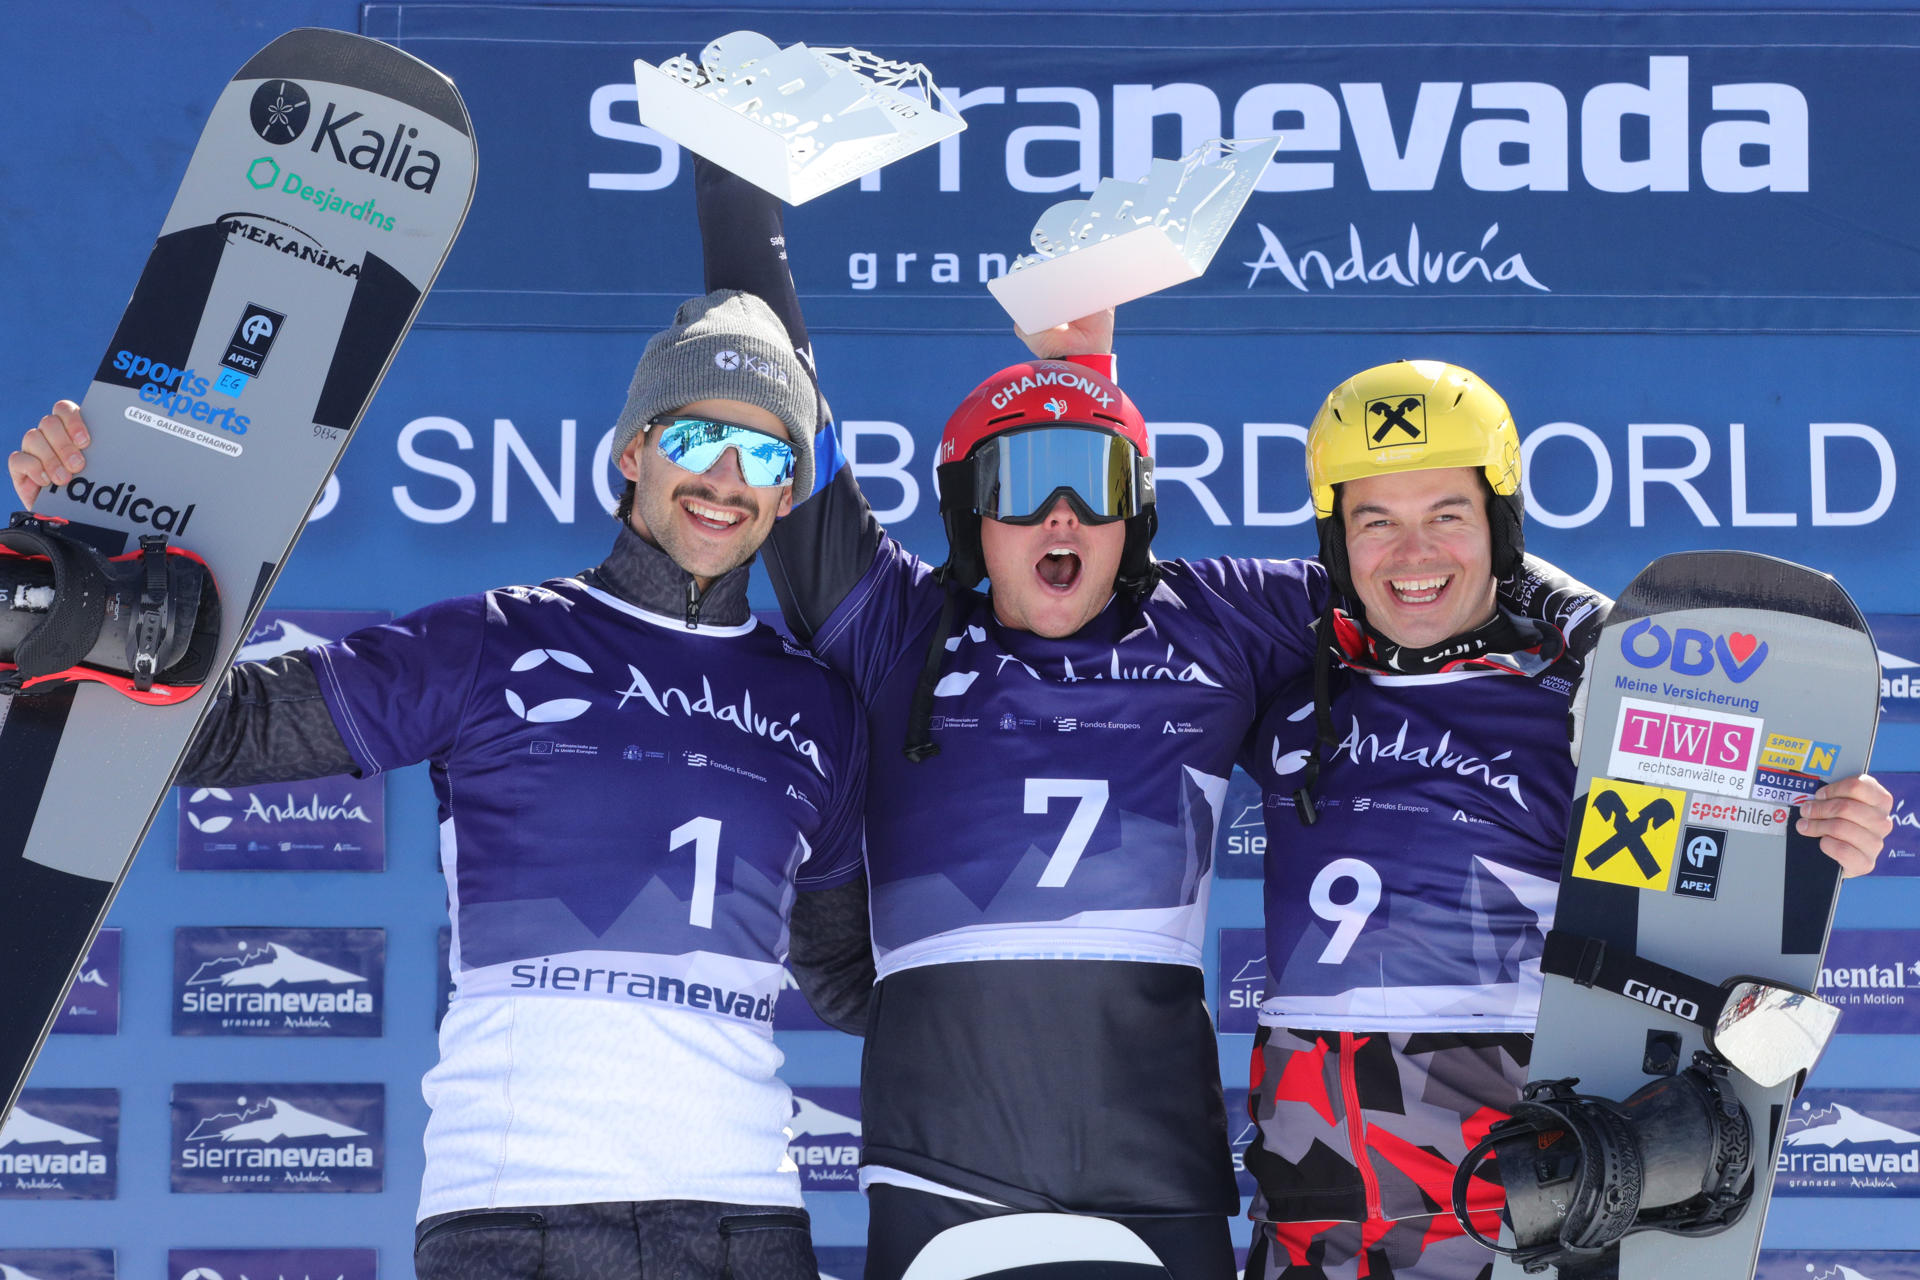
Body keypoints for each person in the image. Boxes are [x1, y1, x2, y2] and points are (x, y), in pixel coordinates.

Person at [688, 161, 1607, 1280]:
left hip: (1158, 1179)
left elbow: (1423, 569)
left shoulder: (1216, 619)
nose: (1059, 514)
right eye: (1022, 483)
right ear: (969, 514)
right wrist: (738, 187)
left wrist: (1605, 632)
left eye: (1093, 481)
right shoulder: (893, 626)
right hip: (941, 1167)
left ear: (1139, 513)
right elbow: (783, 409)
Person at [10, 291, 871, 1280]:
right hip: (514, 1215)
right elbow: (229, 730)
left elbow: (850, 975)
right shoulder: (495, 641)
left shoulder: (819, 706)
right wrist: (69, 573)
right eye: (701, 436)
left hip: (744, 1221)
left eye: (766, 456)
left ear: (789, 491)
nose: (728, 478)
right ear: (635, 450)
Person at [1235, 359, 1894, 1280]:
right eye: (1374, 521)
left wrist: (1827, 829)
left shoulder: (1590, 703)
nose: (1412, 553)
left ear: (1500, 528)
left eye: (1447, 517)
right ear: (1336, 542)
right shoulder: (1287, 677)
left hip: (1505, 1186)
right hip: (1311, 1199)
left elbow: (1742, 843)